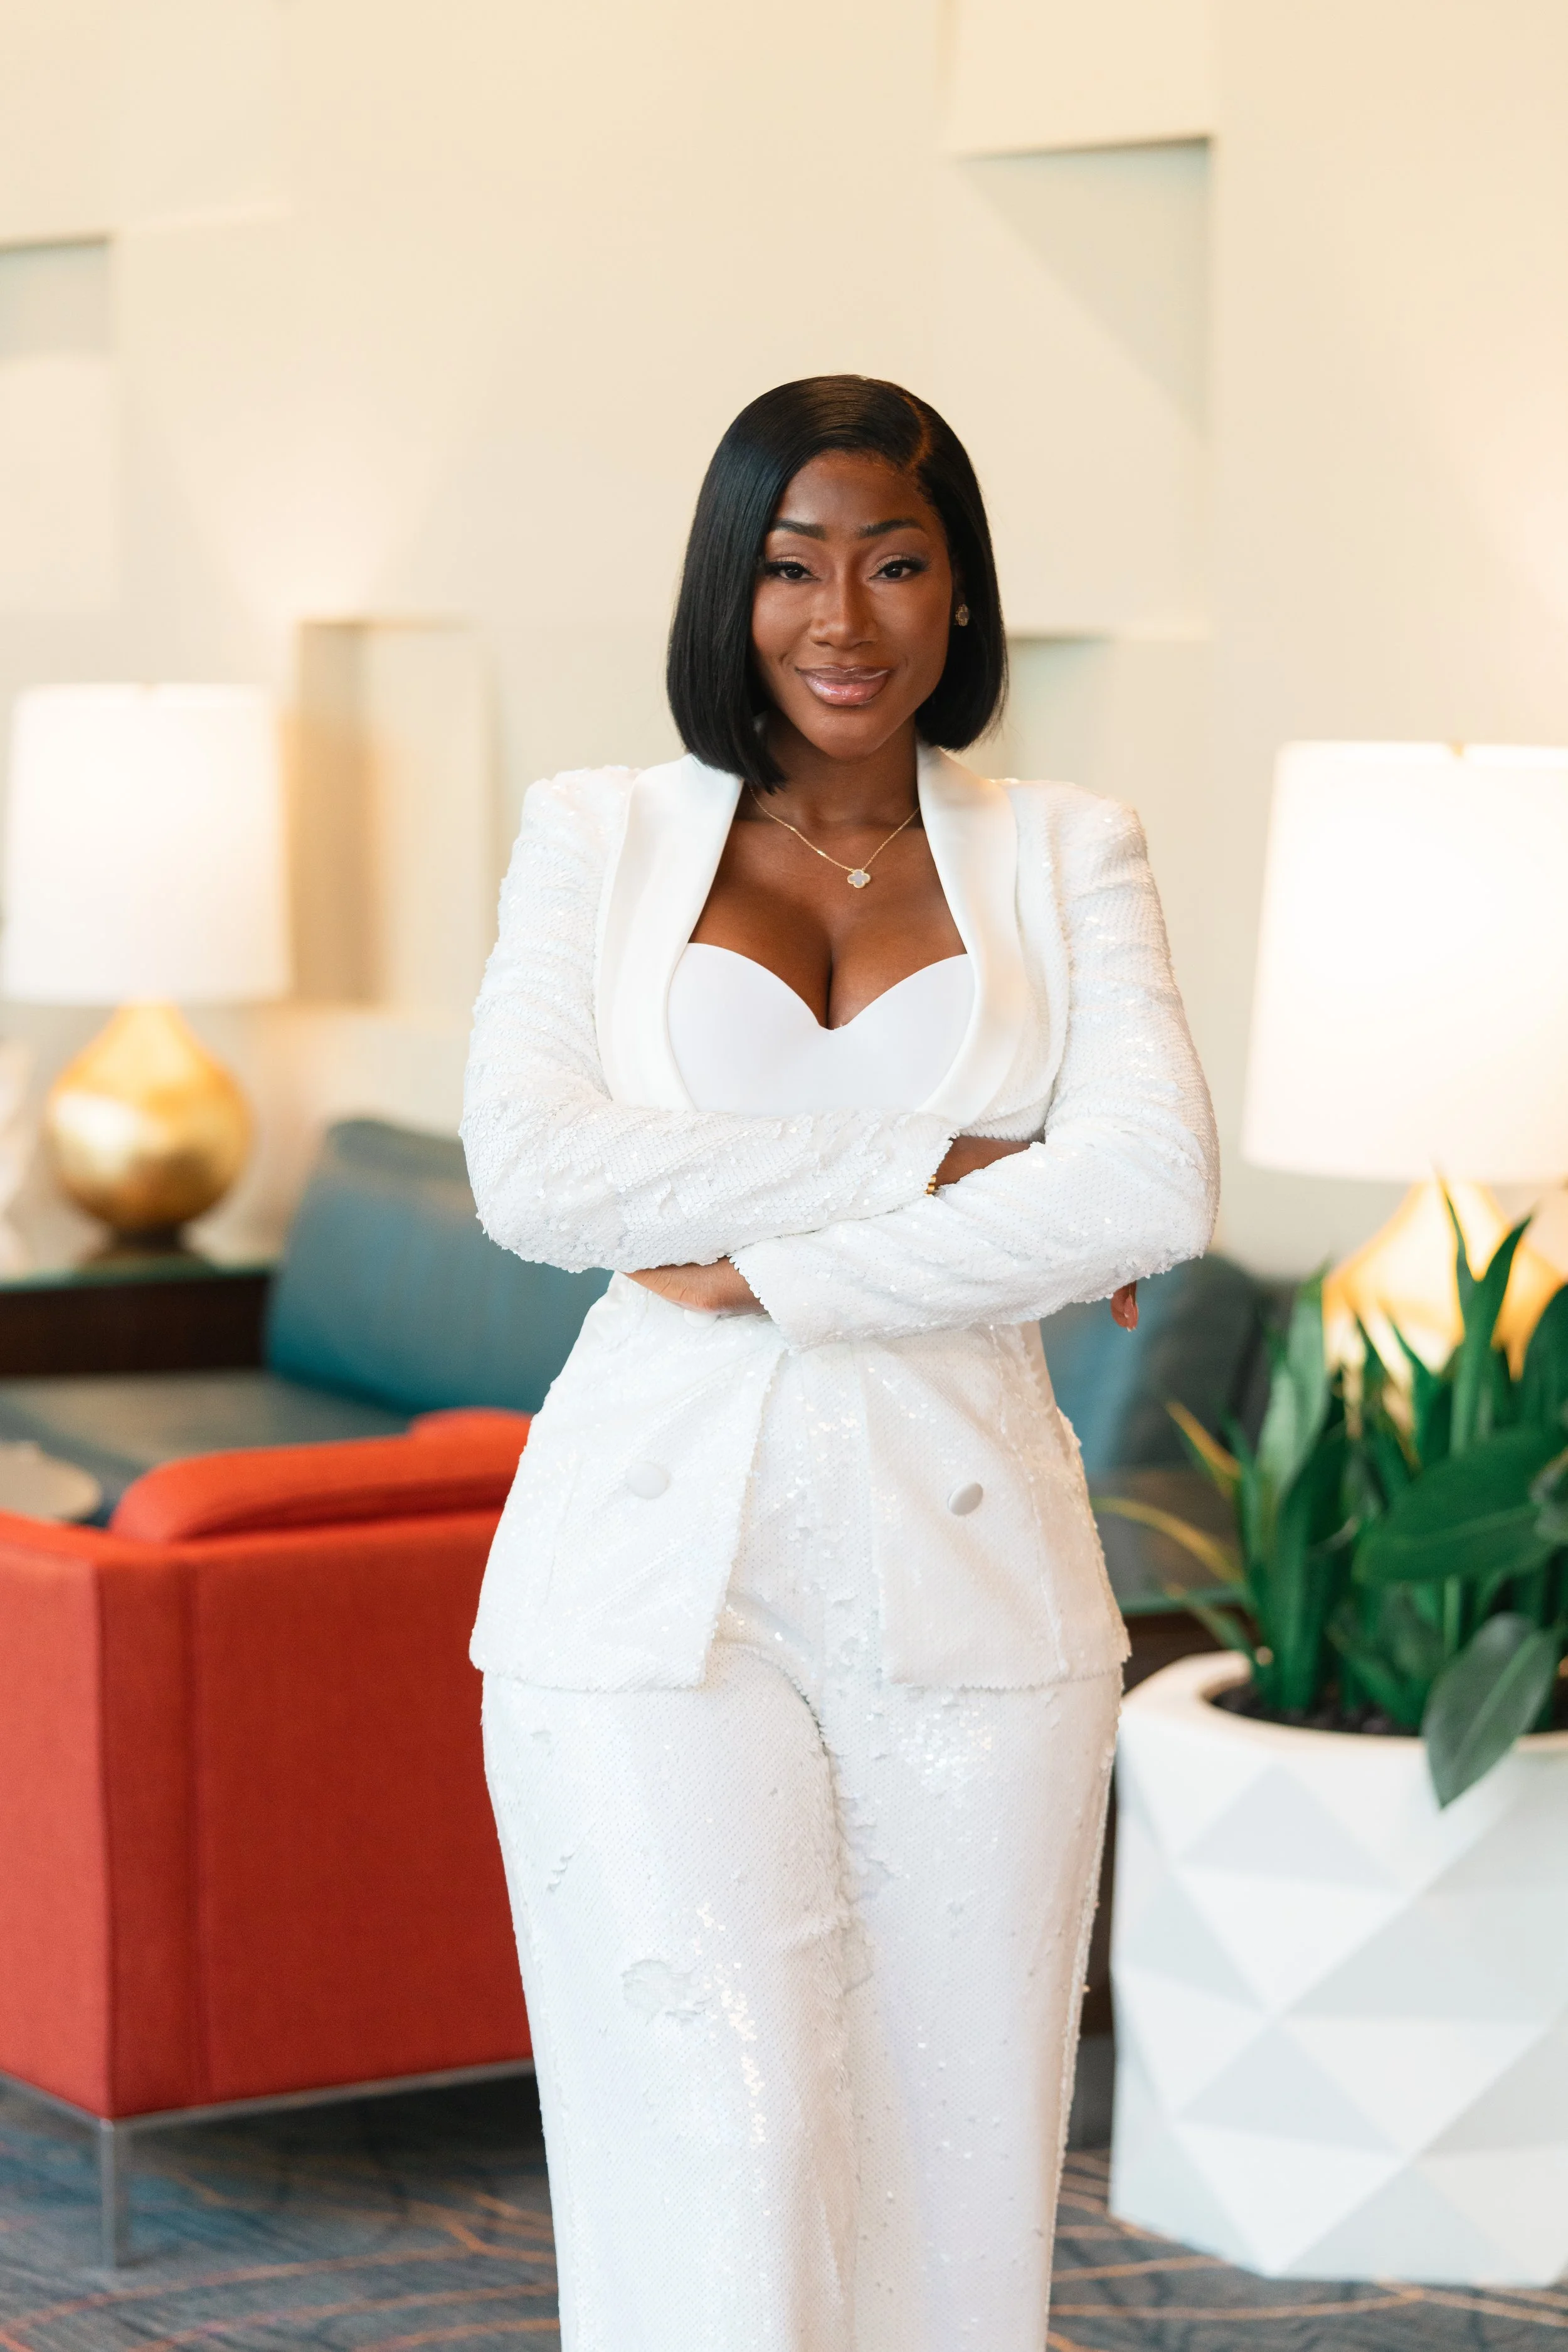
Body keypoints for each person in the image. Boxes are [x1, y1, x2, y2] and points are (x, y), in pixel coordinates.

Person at [462, 374, 1217, 2352]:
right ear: (729, 591)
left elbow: (1150, 1179)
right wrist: (953, 1167)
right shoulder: (598, 833)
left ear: (960, 596)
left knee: (959, 2161)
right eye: (792, 567)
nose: (842, 620)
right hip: (641, 1582)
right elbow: (535, 1167)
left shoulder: (1068, 844)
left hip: (974, 1581)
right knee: (715, 2128)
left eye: (895, 563)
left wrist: (765, 1268)